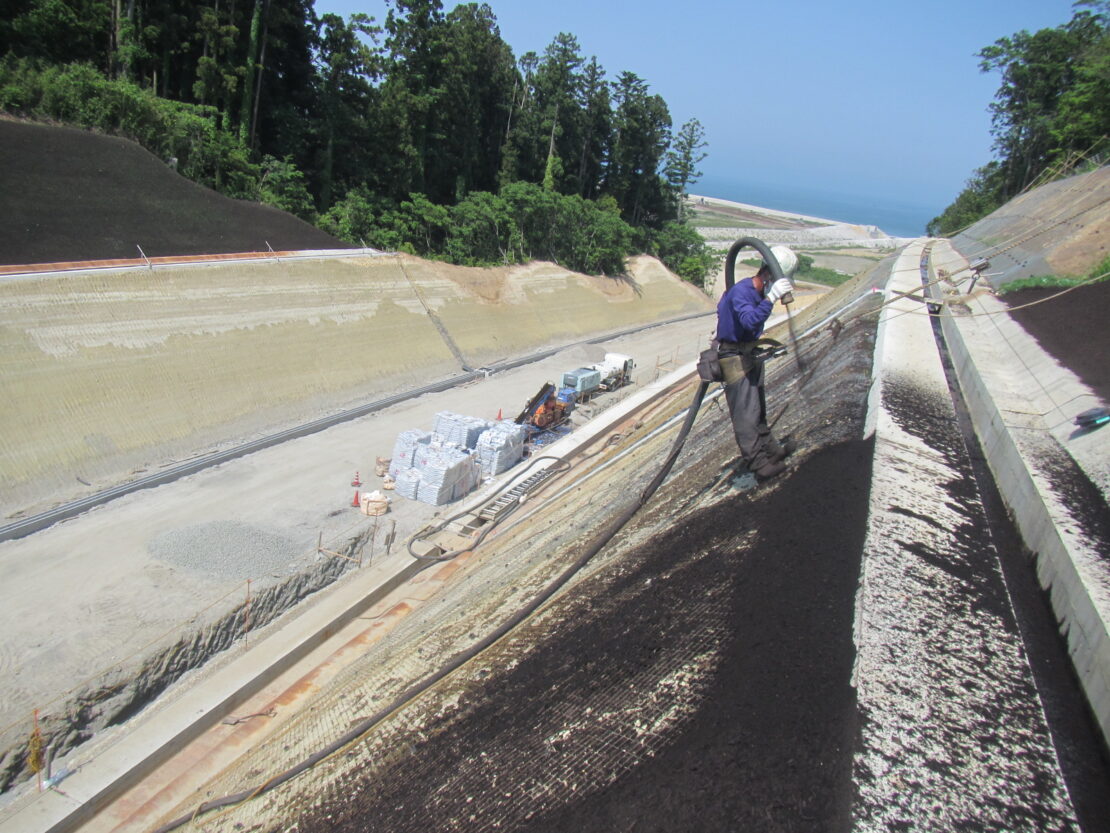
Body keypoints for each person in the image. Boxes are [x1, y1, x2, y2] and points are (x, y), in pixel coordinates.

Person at [715, 245, 798, 481]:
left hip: (747, 354)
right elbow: (750, 322)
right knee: (745, 415)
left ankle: (771, 452)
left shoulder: (755, 293)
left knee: (758, 410)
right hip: (733, 359)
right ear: (768, 274)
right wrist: (771, 298)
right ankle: (759, 466)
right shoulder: (741, 292)